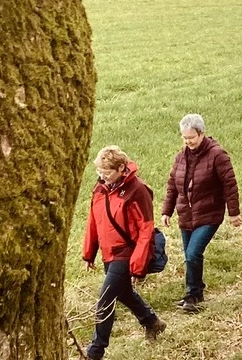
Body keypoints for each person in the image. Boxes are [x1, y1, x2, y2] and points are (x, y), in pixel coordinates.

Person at [81, 146, 166, 360]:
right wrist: (89, 253)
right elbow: (94, 221)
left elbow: (145, 230)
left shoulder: (137, 190)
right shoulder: (100, 188)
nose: (102, 177)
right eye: (99, 172)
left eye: (107, 172)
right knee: (124, 293)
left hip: (127, 253)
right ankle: (152, 322)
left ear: (121, 168)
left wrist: (138, 266)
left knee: (105, 300)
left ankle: (95, 352)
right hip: (108, 253)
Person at [161, 113, 242, 313]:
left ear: (202, 133)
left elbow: (229, 184)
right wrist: (167, 211)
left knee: (193, 254)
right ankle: (194, 293)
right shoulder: (181, 157)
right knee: (190, 256)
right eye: (184, 138)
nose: (188, 142)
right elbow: (172, 185)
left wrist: (234, 213)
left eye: (192, 137)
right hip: (186, 214)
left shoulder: (217, 155)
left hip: (209, 213)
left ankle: (193, 296)